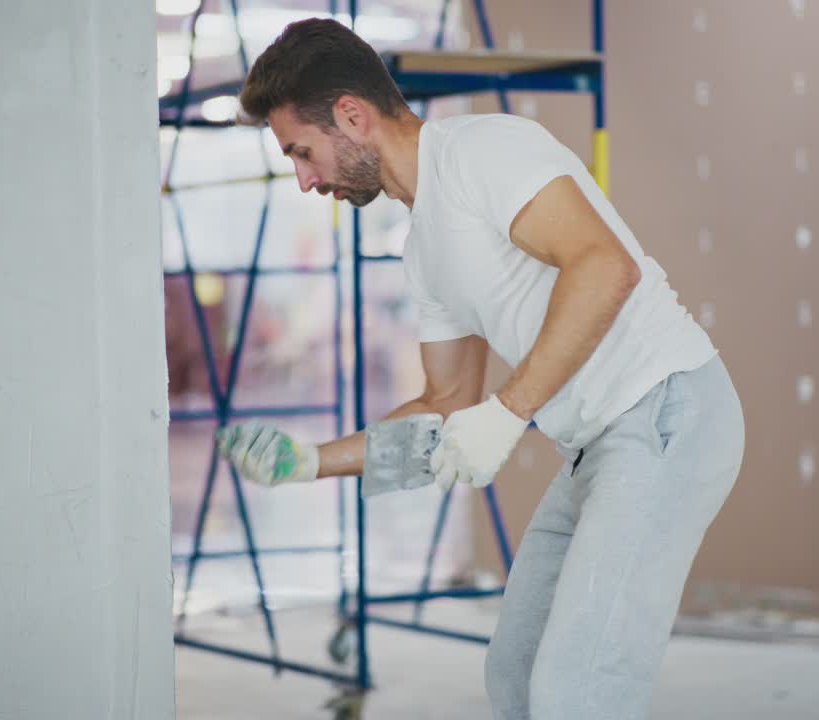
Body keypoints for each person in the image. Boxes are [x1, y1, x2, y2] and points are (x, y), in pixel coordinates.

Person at [213, 17, 745, 719]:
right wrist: (309, 462)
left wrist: (510, 410)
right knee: (516, 673)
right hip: (597, 445)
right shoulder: (423, 247)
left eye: (302, 153)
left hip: (667, 411)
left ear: (352, 115)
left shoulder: (483, 151)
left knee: (580, 689)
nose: (305, 180)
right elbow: (447, 404)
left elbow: (604, 267)